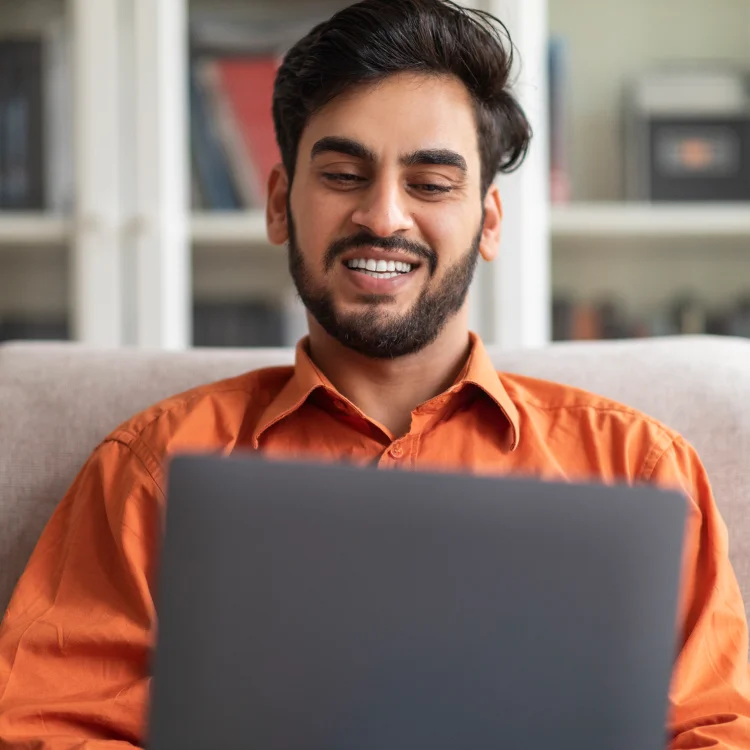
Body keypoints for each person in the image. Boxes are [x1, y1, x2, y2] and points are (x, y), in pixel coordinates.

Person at [1, 0, 749, 746]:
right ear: (278, 206)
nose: (383, 215)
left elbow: (720, 729)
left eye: (429, 183)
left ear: (489, 223)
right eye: (343, 173)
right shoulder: (149, 472)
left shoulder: (642, 471)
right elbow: (45, 725)